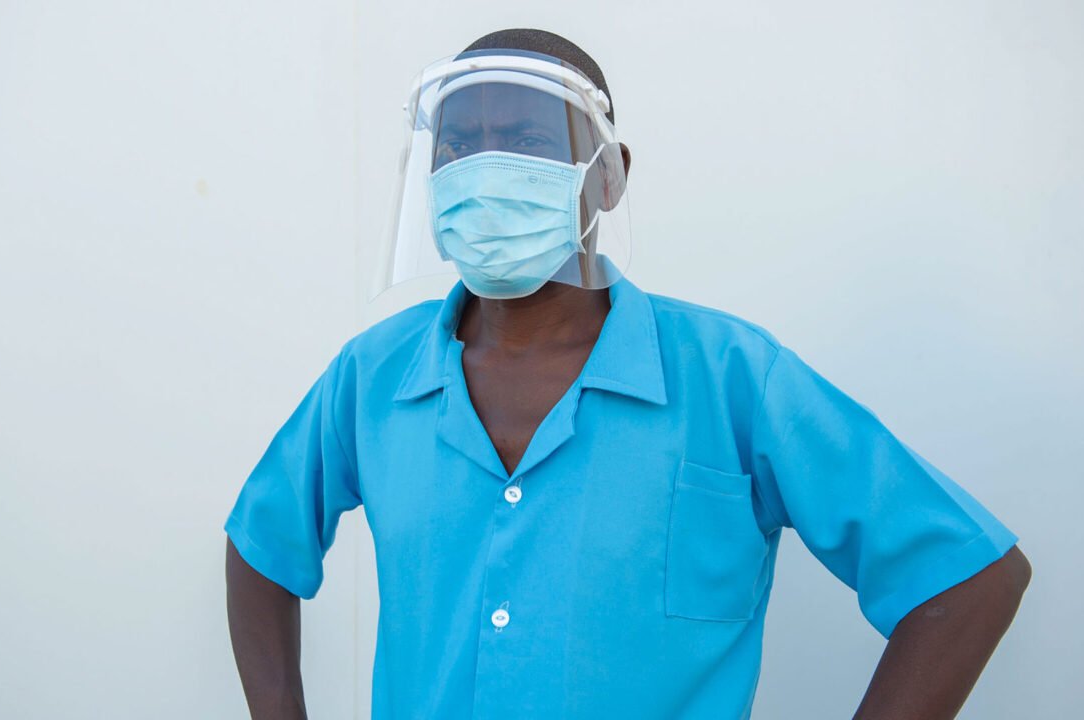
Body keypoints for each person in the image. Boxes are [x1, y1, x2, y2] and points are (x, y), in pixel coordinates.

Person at [224, 28, 1031, 720]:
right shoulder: (371, 376)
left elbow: (970, 579)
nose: (486, 170)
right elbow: (260, 544)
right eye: (460, 146)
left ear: (608, 175)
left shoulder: (732, 378)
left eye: (528, 140)